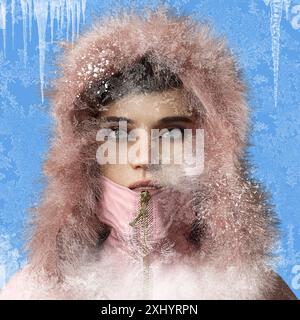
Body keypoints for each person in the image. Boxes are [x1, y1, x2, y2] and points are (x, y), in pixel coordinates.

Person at [0, 5, 297, 300]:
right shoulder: (37, 293)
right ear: (85, 151)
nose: (144, 158)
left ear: (211, 147)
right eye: (118, 134)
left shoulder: (256, 292)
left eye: (172, 133)